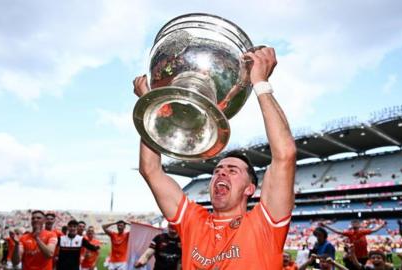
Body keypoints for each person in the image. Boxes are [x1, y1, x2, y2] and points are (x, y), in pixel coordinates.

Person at [133, 46, 297, 269]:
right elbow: (151, 170)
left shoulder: (265, 223)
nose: (221, 172)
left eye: (232, 171)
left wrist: (260, 83)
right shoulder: (193, 221)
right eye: (218, 170)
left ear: (250, 188)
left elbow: (284, 155)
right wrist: (151, 105)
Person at [320, 219, 386, 266]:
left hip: (364, 257)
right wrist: (326, 226)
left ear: (359, 225)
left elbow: (374, 230)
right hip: (354, 257)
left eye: (356, 223)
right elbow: (338, 231)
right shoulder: (349, 233)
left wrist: (382, 225)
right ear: (351, 225)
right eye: (353, 223)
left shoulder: (363, 232)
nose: (355, 224)